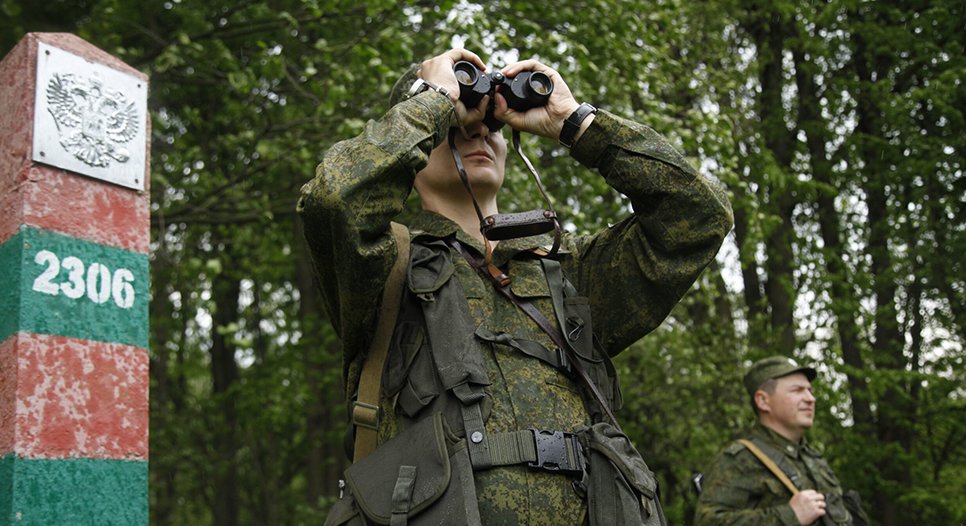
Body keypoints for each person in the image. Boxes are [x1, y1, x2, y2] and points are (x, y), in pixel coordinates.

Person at [299, 48, 733, 526]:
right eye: (457, 122)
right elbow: (335, 200)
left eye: (491, 125)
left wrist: (576, 123)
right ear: (414, 149)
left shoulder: (567, 271)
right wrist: (435, 101)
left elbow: (700, 216)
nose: (478, 129)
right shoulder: (382, 267)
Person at [694, 356, 870, 526]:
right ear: (763, 401)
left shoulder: (813, 459)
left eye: (810, 390)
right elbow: (707, 521)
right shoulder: (740, 459)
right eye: (797, 390)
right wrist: (789, 516)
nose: (810, 398)